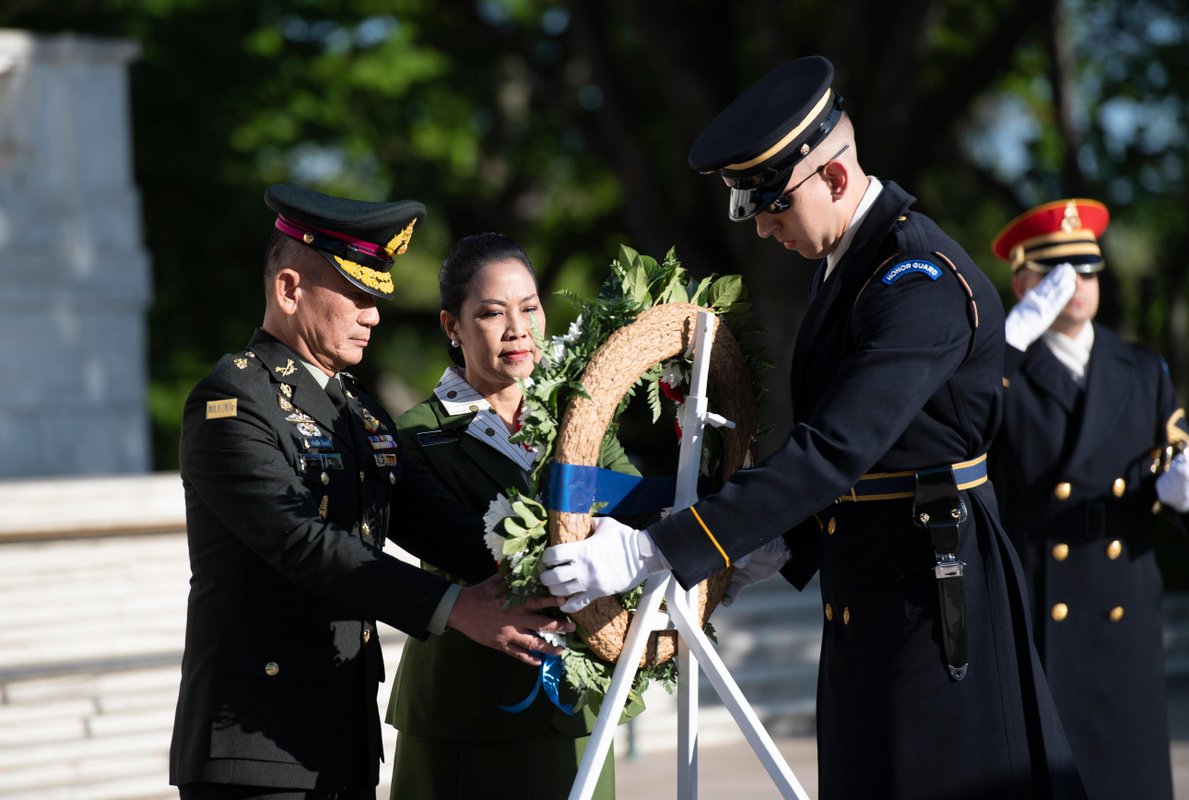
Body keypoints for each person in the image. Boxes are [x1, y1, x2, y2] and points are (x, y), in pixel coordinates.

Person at [540, 55, 1086, 798]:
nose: (763, 228)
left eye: (772, 205)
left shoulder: (914, 279)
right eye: (750, 209)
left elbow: (834, 449)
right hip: (873, 588)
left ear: (832, 177)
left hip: (933, 593)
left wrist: (659, 551)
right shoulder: (851, 263)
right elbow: (860, 450)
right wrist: (773, 541)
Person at [169, 186, 574, 800]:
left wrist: (567, 573)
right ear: (288, 289)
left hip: (342, 742)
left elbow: (439, 524)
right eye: (356, 296)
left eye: (378, 298)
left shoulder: (353, 408)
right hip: (253, 747)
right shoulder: (232, 403)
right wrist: (455, 607)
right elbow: (303, 544)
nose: (374, 315)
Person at [382, 232, 640, 799]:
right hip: (465, 709)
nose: (518, 329)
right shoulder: (416, 435)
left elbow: (637, 507)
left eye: (529, 308)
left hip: (575, 707)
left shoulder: (584, 416)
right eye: (492, 313)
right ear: (452, 326)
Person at [989, 198, 1189, 800]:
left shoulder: (1140, 369)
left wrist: (1185, 497)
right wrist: (999, 354)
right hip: (1039, 599)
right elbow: (959, 436)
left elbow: (1177, 456)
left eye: (1087, 271)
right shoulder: (1001, 371)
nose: (1077, 286)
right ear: (1023, 280)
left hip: (1123, 603)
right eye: (1058, 273)